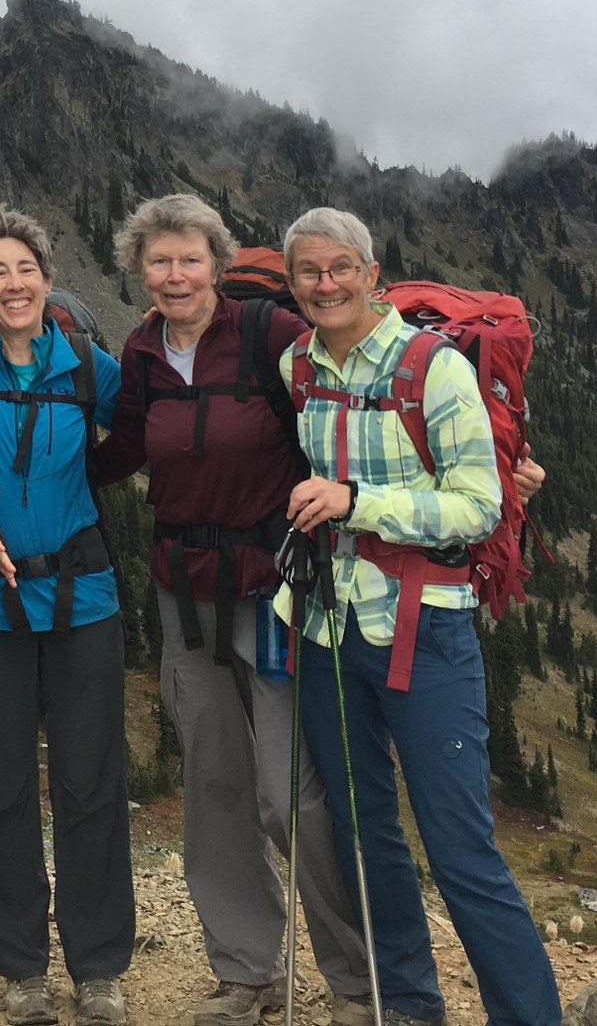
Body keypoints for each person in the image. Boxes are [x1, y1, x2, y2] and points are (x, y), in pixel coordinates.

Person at [89, 193, 371, 1026]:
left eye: (190, 258)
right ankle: (246, 974)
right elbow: (123, 451)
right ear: (139, 270)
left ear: (217, 263)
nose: (175, 275)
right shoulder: (143, 352)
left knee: (291, 794)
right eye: (159, 260)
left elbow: (343, 415)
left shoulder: (268, 335)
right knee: (214, 788)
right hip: (185, 595)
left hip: (273, 589)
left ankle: (356, 978)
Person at [279, 207, 561, 1026]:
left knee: (460, 846)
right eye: (309, 271)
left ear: (372, 275)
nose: (326, 284)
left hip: (426, 628)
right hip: (327, 627)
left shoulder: (432, 367)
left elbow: (477, 505)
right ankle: (407, 1005)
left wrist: (356, 501)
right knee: (365, 833)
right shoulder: (299, 363)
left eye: (341, 268)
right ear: (292, 283)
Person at [0, 205, 133, 1026]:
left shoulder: (92, 368)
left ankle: (99, 967)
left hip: (82, 598)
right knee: (2, 786)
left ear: (49, 279)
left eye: (25, 268)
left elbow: (152, 431)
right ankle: (21, 966)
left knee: (90, 779)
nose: (14, 283)